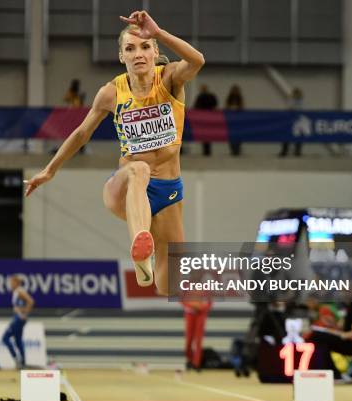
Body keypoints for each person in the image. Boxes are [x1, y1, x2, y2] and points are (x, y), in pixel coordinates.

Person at [25, 10, 205, 295]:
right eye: (130, 49)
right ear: (122, 56)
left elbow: (197, 60)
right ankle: (141, 248)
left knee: (168, 285)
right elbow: (82, 133)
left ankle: (147, 259)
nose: (139, 54)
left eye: (145, 47)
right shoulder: (111, 93)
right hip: (125, 186)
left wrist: (157, 31)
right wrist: (50, 170)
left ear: (155, 50)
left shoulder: (170, 79)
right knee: (139, 169)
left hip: (168, 189)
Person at [2, 275, 34, 368]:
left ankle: (16, 359)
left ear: (16, 282)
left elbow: (31, 301)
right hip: (18, 317)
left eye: (11, 282)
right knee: (18, 340)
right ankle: (22, 363)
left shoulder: (20, 291)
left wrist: (24, 313)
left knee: (5, 338)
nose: (10, 285)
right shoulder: (17, 291)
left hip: (18, 318)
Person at [193, 85, 218, 157]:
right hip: (202, 118)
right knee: (204, 134)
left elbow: (215, 105)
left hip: (209, 117)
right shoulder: (200, 97)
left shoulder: (211, 96)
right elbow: (196, 106)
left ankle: (207, 150)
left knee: (208, 134)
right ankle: (205, 150)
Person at [279, 87, 303, 157]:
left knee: (298, 136)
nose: (296, 95)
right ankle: (284, 151)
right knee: (286, 135)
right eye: (295, 94)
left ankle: (297, 151)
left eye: (297, 94)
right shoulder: (290, 100)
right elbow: (288, 108)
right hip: (289, 121)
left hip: (297, 122)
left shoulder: (301, 101)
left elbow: (300, 110)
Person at [225, 84, 244, 156]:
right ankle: (233, 150)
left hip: (238, 120)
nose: (235, 91)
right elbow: (226, 106)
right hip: (231, 119)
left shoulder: (240, 98)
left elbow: (242, 106)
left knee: (238, 135)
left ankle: (237, 149)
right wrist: (230, 108)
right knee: (231, 135)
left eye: (236, 90)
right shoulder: (229, 97)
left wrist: (238, 108)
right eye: (234, 90)